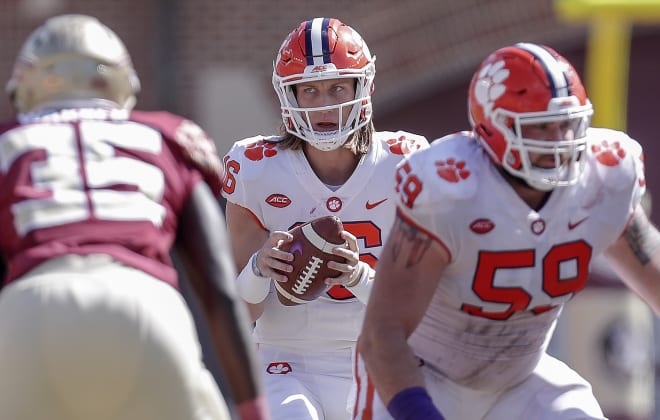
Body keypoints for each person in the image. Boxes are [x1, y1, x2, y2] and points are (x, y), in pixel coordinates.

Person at [354, 42, 660, 420]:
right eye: (541, 127)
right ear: (492, 127)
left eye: (567, 124)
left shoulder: (604, 178)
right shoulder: (450, 192)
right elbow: (381, 335)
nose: (560, 141)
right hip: (423, 379)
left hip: (522, 381)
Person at [0, 14, 268, 420]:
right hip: (147, 306)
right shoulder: (164, 137)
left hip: (32, 307)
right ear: (121, 83)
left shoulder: (8, 142)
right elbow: (219, 290)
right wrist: (254, 410)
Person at [221, 17, 428, 419]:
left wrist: (358, 276)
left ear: (362, 88)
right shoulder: (255, 168)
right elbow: (239, 312)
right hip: (285, 362)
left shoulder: (408, 163)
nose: (325, 104)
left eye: (337, 87)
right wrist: (258, 270)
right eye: (310, 90)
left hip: (383, 358)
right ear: (289, 97)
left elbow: (424, 307)